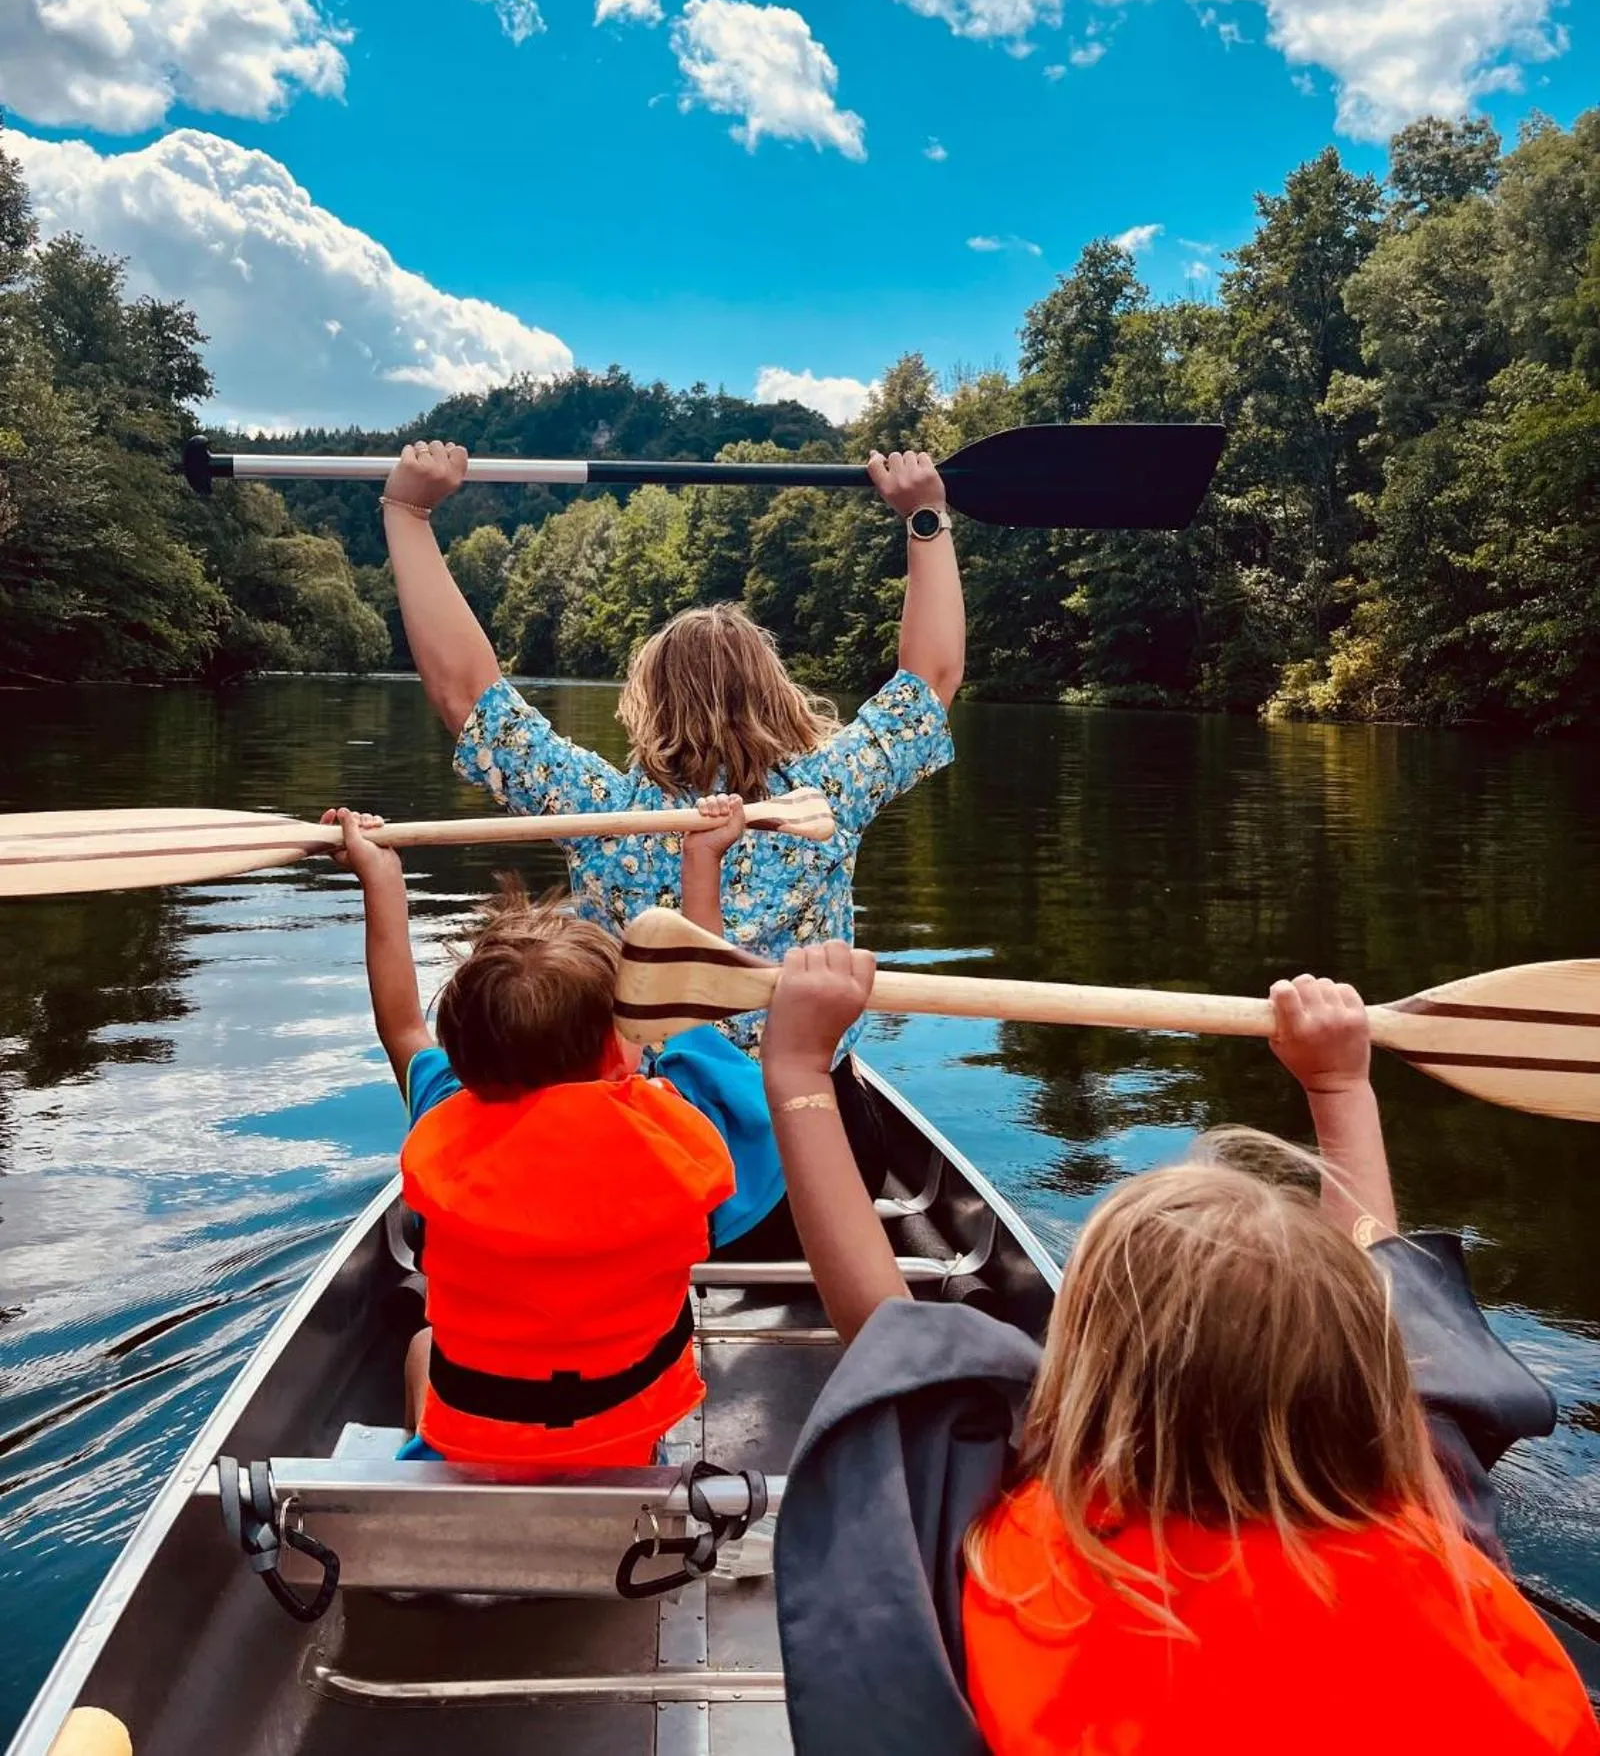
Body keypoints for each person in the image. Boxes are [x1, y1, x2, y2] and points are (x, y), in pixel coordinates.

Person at [757, 949, 1599, 1756]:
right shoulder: (1430, 1521)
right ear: (1370, 1388)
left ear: (1087, 1382)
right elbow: (1390, 1298)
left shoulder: (1027, 1561)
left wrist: (796, 1067)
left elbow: (888, 1333)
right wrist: (1343, 1085)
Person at [376, 438, 963, 1059]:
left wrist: (407, 514)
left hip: (648, 1112)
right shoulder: (832, 795)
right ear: (777, 693)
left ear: (649, 701)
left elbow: (466, 696)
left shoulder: (601, 813)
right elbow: (933, 677)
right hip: (798, 1105)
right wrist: (925, 519)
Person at [321, 802, 795, 1467]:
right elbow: (694, 1013)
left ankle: (427, 1461)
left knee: (424, 1347)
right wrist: (702, 860)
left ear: (468, 1055)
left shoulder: (445, 1108)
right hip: (623, 1436)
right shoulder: (675, 1140)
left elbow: (402, 1024)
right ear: (619, 1048)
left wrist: (382, 879)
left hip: (477, 1434)